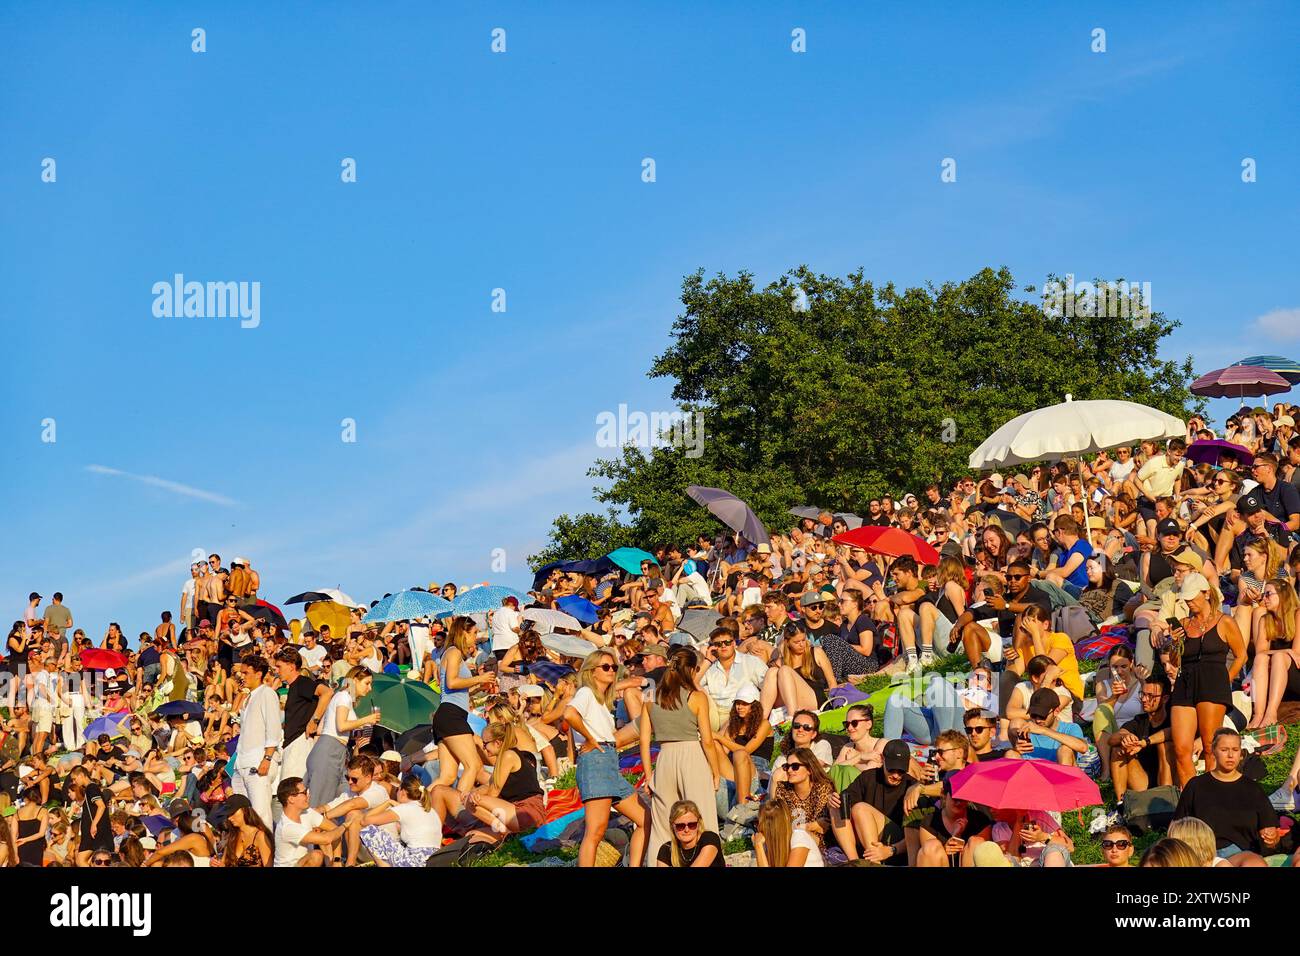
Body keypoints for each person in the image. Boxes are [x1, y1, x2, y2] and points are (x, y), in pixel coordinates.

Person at [565, 649, 648, 867]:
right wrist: (590, 738)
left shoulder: (600, 699)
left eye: (614, 667)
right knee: (595, 831)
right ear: (592, 672)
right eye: (605, 667)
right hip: (596, 761)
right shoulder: (586, 693)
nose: (611, 670)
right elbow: (568, 714)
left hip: (609, 761)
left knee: (646, 820)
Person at [639, 646, 720, 866]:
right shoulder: (697, 697)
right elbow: (708, 741)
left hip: (664, 756)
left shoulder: (650, 696)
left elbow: (644, 740)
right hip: (692, 754)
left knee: (662, 824)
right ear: (692, 669)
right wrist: (715, 771)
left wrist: (648, 774)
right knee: (702, 819)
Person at [1169, 572, 1246, 786]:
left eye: (1193, 598)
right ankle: (1190, 798)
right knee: (1181, 749)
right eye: (1186, 599)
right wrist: (1174, 643)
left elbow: (1241, 655)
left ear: (1206, 594)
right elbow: (1175, 661)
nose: (1189, 602)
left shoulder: (1225, 621)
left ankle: (1213, 797)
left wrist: (1226, 680)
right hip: (1185, 683)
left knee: (1210, 744)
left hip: (1213, 681)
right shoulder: (1183, 623)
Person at [1172, 728, 1280, 860]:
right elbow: (1176, 828)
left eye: (1235, 750)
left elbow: (1271, 836)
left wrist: (1271, 838)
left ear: (1241, 753)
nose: (1230, 755)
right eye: (1224, 750)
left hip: (1240, 853)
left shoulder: (1252, 789)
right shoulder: (1196, 785)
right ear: (1213, 751)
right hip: (1202, 853)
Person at [433, 617, 497, 794]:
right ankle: (460, 810)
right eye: (474, 633)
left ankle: (417, 806)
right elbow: (452, 683)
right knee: (473, 766)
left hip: (449, 714)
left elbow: (458, 692)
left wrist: (478, 687)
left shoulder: (453, 654)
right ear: (463, 632)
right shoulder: (453, 652)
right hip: (451, 715)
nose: (476, 637)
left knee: (447, 777)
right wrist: (479, 678)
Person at [303, 666, 380, 805]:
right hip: (329, 751)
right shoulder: (344, 696)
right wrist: (367, 719)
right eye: (367, 683)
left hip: (335, 751)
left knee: (328, 802)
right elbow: (341, 725)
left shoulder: (345, 698)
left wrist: (361, 730)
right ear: (355, 680)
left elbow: (339, 729)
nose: (369, 688)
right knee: (319, 804)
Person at [839, 739, 916, 863]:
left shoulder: (912, 786)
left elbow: (918, 834)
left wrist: (891, 850)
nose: (896, 775)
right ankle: (854, 861)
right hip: (867, 840)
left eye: (901, 771)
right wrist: (833, 800)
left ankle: (873, 863)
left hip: (898, 844)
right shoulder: (868, 777)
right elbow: (845, 798)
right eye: (891, 769)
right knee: (837, 804)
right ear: (882, 760)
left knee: (860, 808)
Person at [1108, 675, 1174, 807]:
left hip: (1169, 780)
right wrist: (1124, 737)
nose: (1144, 699)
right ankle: (1121, 805)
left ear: (1165, 698)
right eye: (1142, 694)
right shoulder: (1140, 720)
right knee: (1118, 748)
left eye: (1150, 696)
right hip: (1142, 780)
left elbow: (1172, 732)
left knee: (1164, 745)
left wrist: (1145, 742)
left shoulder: (1173, 719)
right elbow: (1112, 739)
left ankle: (1167, 803)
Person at [357, 775, 444, 867]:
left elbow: (364, 821)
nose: (396, 792)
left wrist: (388, 802)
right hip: (433, 860)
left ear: (403, 792)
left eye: (397, 789)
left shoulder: (404, 808)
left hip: (415, 861)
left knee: (369, 831)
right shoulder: (430, 810)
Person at [712, 683, 771, 805]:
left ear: (754, 706)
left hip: (755, 769)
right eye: (738, 703)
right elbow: (723, 752)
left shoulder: (764, 724)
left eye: (744, 704)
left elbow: (746, 751)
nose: (740, 707)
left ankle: (742, 806)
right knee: (714, 745)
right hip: (735, 770)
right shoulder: (733, 726)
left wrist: (719, 737)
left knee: (739, 754)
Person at [916, 778, 992, 867]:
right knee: (931, 846)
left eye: (962, 798)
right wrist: (945, 850)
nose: (958, 803)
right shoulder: (929, 821)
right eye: (955, 798)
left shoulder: (980, 821)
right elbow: (928, 857)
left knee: (976, 842)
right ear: (944, 795)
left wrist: (958, 839)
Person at [273, 776, 345, 867]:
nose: (308, 795)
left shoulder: (307, 812)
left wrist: (337, 860)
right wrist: (345, 825)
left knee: (323, 833)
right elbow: (328, 838)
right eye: (304, 793)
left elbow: (334, 829)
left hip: (302, 863)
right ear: (291, 799)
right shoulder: (287, 827)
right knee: (316, 855)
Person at [753, 797, 822, 868]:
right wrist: (759, 845)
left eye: (757, 823)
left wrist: (758, 845)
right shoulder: (770, 842)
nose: (757, 827)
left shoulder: (799, 838)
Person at [656, 799, 724, 867]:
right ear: (672, 825)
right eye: (680, 826)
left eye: (692, 825)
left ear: (699, 823)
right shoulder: (666, 849)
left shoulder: (710, 839)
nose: (686, 830)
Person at [215, 794, 273, 867]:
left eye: (232, 813)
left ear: (244, 810)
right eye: (228, 814)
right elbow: (223, 863)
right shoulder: (232, 836)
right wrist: (216, 864)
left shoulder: (260, 836)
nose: (229, 818)